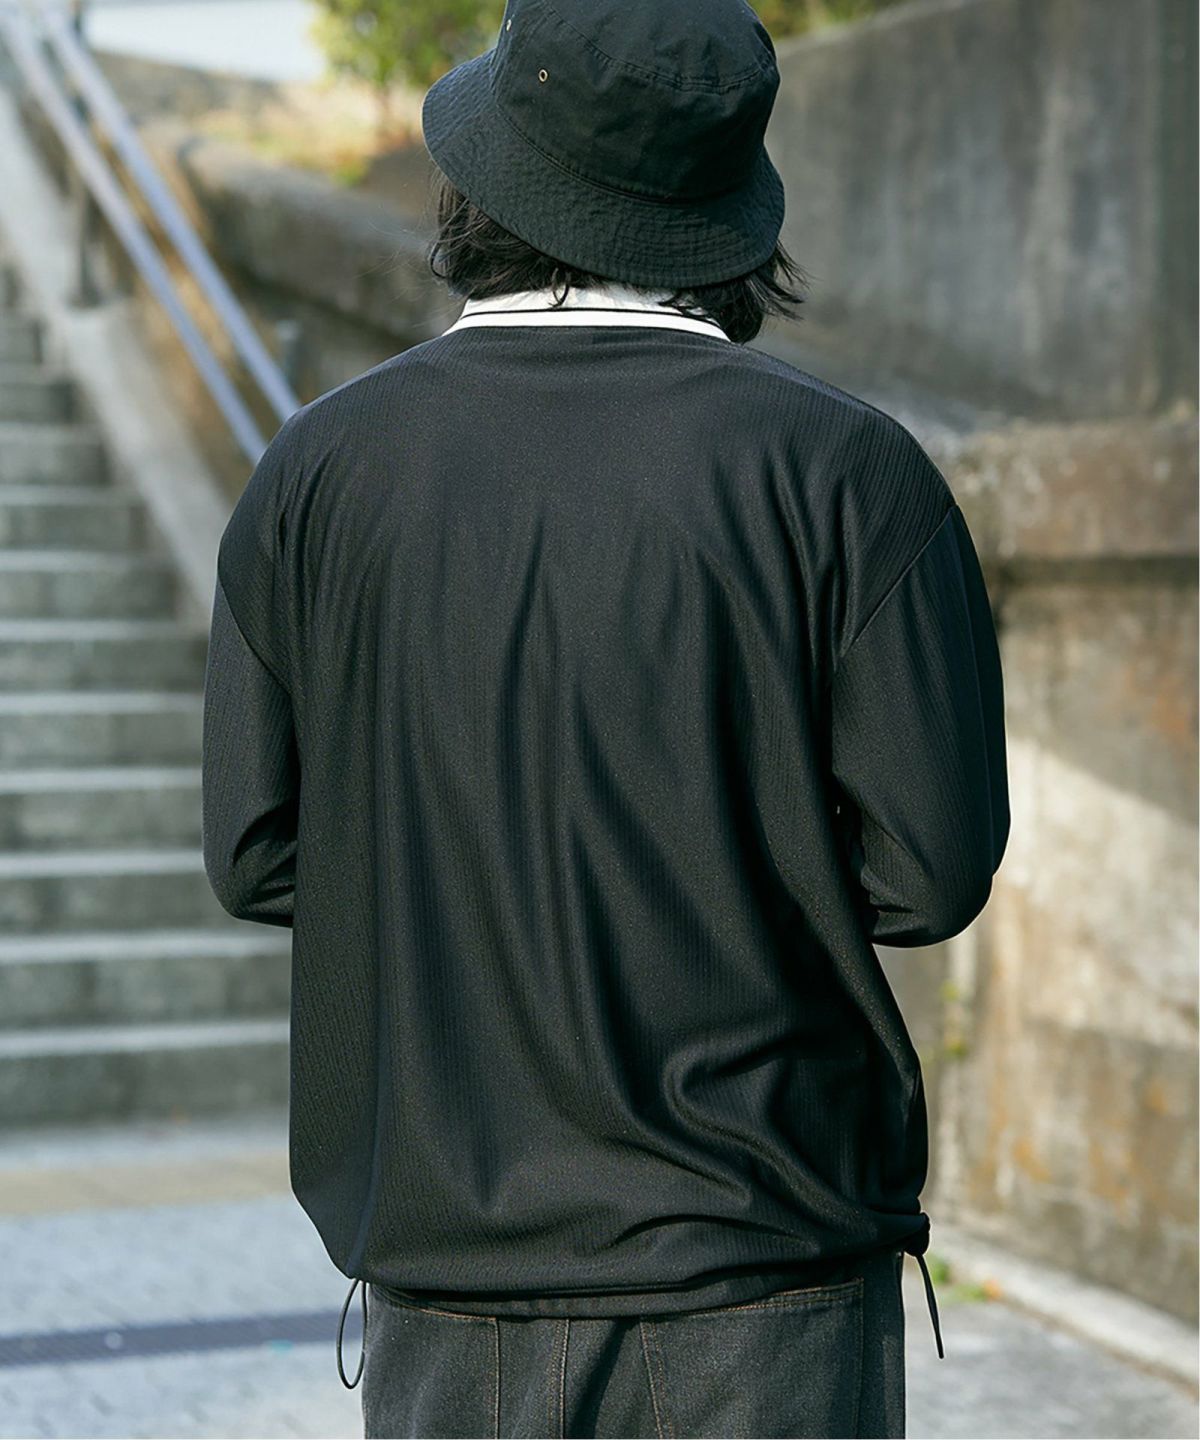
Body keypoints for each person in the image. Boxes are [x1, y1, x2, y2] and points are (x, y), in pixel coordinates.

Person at [200, 0, 1010, 1434]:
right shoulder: (853, 474)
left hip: (449, 1274)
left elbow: (258, 851)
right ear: (726, 212)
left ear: (483, 184)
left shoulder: (317, 475)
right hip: (767, 1273)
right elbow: (929, 875)